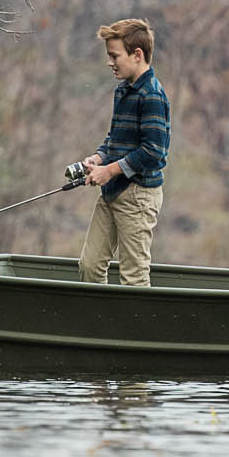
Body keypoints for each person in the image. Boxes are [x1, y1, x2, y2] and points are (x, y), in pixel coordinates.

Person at [77, 18, 170, 286]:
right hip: (112, 191)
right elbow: (115, 140)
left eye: (114, 55)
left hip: (139, 197)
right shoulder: (123, 91)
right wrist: (99, 158)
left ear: (137, 54)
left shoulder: (152, 95)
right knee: (89, 267)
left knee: (134, 279)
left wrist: (110, 170)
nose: (110, 62)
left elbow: (154, 153)